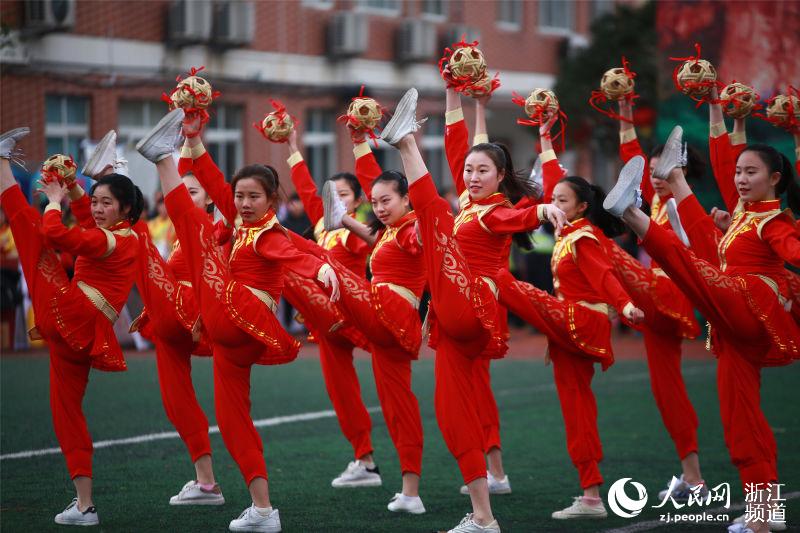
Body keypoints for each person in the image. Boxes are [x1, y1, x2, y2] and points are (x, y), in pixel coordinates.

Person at [136, 108, 339, 533]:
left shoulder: (266, 233)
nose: (244, 204)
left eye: (254, 198)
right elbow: (214, 186)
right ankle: (263, 509)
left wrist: (318, 270)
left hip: (243, 312)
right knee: (232, 421)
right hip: (229, 330)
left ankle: (161, 160)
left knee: (196, 236)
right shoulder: (242, 225)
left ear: (271, 201)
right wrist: (194, 139)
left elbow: (290, 252)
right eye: (240, 197)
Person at [379, 88, 566, 533]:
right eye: (468, 170)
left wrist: (540, 208)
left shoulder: (492, 211)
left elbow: (512, 220)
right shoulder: (470, 206)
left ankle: (406, 143)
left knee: (433, 219)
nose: (473, 175)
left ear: (501, 177)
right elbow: (457, 143)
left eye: (484, 171)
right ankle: (483, 515)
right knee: (450, 414)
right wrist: (451, 94)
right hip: (450, 316)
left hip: (471, 302)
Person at [604, 132, 800, 533]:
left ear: (776, 179)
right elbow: (715, 241)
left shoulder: (773, 220)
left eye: (752, 172)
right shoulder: (744, 215)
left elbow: (792, 250)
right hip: (733, 328)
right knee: (739, 421)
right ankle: (767, 512)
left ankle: (634, 212)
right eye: (739, 172)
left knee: (694, 269)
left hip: (751, 307)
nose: (741, 179)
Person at [0, 127, 143, 526]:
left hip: (73, 314)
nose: (96, 209)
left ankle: (1, 162)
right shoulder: (117, 234)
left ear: (126, 210)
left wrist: (55, 199)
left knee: (31, 232)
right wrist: (75, 191)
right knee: (66, 413)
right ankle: (84, 505)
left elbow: (55, 232)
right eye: (95, 201)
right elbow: (84, 218)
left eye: (106, 204)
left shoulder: (115, 241)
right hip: (79, 332)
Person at [83, 132, 225, 506]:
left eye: (193, 192)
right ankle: (207, 483)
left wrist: (191, 143)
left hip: (186, 310)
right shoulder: (182, 234)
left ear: (209, 197)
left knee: (137, 245)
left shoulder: (213, 227)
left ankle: (114, 172)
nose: (183, 198)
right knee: (175, 401)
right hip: (166, 318)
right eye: (183, 192)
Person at [497, 166, 645, 519]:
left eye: (563, 201)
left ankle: (482, 276)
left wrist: (624, 304)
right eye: (553, 200)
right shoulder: (569, 234)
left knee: (504, 281)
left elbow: (604, 276)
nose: (555, 205)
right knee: (577, 407)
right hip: (570, 327)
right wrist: (546, 136)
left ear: (580, 207)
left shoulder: (583, 238)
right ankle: (591, 495)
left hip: (582, 322)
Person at [321, 133, 426, 512]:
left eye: (387, 201)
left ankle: (274, 236)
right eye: (377, 202)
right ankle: (410, 493)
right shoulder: (388, 232)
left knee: (315, 267)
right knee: (397, 407)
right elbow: (370, 223)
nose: (380, 208)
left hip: (391, 317)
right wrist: (357, 141)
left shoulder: (413, 228)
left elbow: (421, 239)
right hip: (379, 321)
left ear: (407, 198)